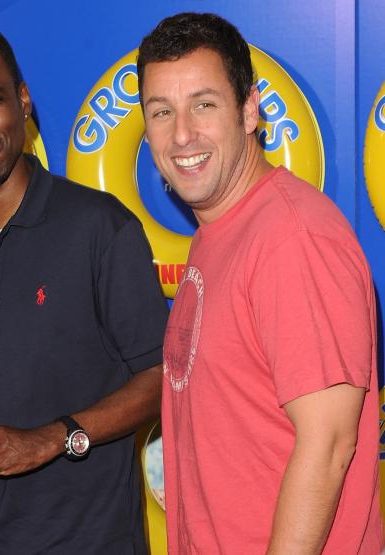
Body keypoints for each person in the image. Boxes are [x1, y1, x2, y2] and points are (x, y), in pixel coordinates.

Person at [0, 18, 169, 554]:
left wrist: (51, 439)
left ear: (22, 102)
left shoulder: (99, 227)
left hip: (96, 543)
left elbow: (161, 377)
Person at [137, 12, 383, 554]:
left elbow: (329, 444)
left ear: (249, 110)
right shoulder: (221, 226)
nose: (182, 135)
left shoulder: (293, 237)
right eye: (161, 111)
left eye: (204, 104)